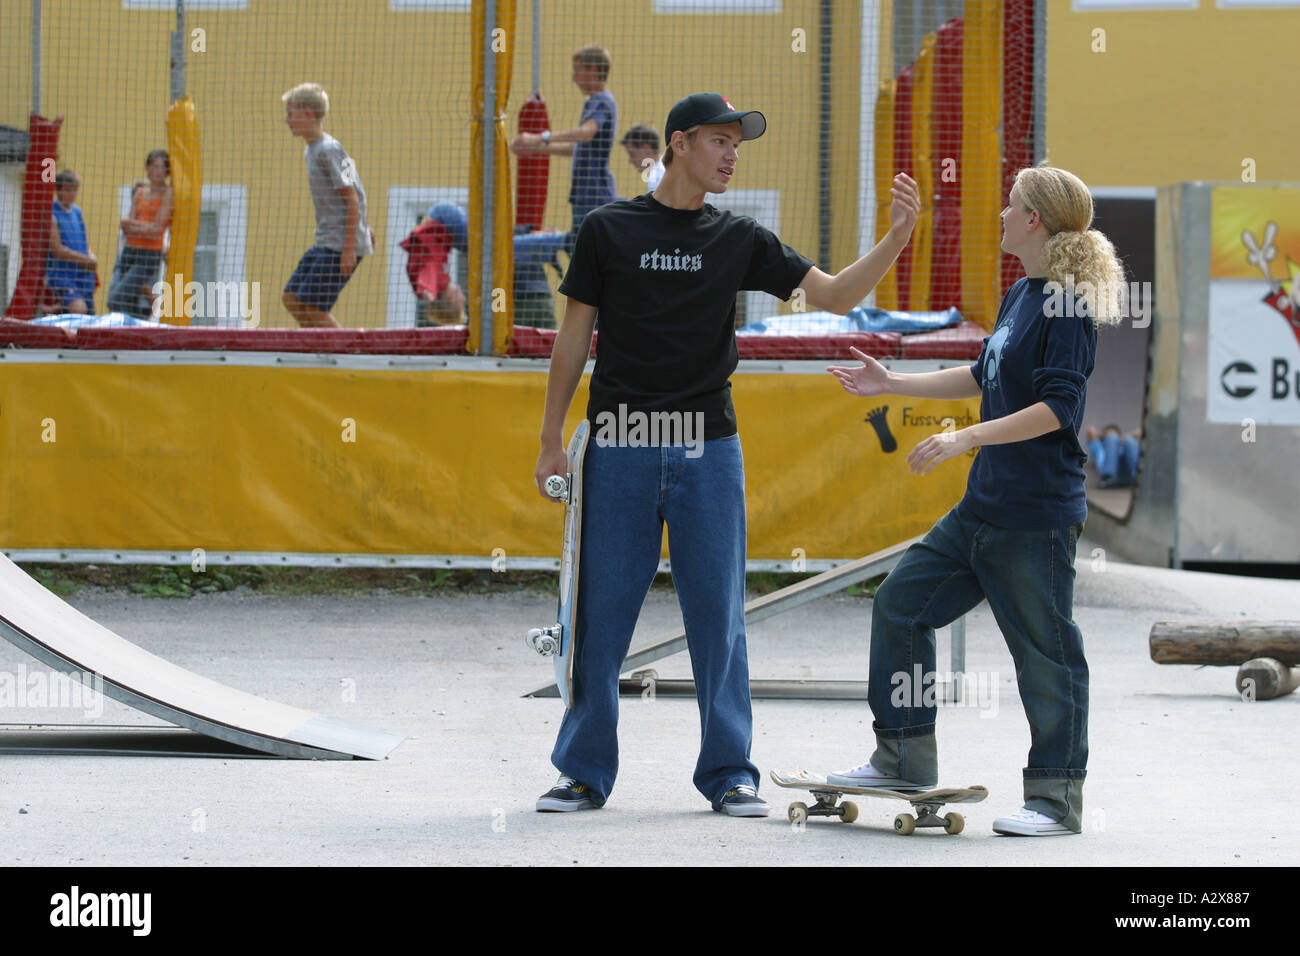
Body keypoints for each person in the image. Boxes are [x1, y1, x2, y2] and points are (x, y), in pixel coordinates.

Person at [533, 92, 921, 817]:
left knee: (719, 617)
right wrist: (553, 440)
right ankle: (583, 770)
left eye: (738, 144)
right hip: (618, 446)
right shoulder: (607, 230)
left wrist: (897, 237)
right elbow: (570, 342)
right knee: (601, 614)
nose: (732, 153)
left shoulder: (739, 237)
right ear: (679, 144)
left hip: (708, 445)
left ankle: (730, 772)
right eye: (719, 140)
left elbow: (835, 293)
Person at [826, 165, 1126, 836]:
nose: (998, 214)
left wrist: (967, 438)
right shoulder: (1025, 293)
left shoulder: (1068, 306)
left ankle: (1055, 799)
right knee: (900, 605)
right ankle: (903, 755)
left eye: (1010, 205)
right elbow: (982, 370)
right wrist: (891, 383)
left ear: (1034, 222)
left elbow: (1058, 409)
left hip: (1035, 518)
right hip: (982, 509)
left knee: (1045, 654)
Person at [281, 83, 373, 328]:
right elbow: (358, 187)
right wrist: (367, 225)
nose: (287, 120)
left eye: (291, 113)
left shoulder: (329, 149)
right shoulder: (312, 151)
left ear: (307, 113)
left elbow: (351, 197)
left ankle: (345, 356)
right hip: (326, 240)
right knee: (291, 298)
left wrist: (349, 247)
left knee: (314, 307)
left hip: (339, 243)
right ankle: (319, 347)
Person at [510, 45, 618, 242]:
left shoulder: (601, 101)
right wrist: (535, 147)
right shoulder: (595, 102)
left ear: (593, 70)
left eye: (578, 71)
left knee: (585, 249)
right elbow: (578, 148)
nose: (574, 78)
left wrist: (539, 137)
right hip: (585, 195)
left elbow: (586, 133)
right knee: (580, 246)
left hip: (594, 195)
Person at [107, 151, 172, 317]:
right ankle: (136, 330)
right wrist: (145, 227)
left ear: (167, 172)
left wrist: (133, 225)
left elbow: (156, 231)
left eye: (163, 168)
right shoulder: (140, 192)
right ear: (148, 167)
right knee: (130, 303)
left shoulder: (168, 193)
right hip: (129, 252)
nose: (159, 171)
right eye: (155, 166)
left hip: (149, 255)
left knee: (115, 300)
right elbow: (126, 227)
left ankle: (138, 324)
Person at [401, 203, 468, 326]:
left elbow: (427, 274)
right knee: (484, 248)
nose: (464, 299)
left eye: (462, 303)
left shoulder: (437, 284)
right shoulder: (442, 282)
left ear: (451, 298)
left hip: (443, 218)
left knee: (491, 247)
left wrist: (426, 290)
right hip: (442, 222)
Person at [45, 170, 98, 314]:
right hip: (62, 275)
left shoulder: (77, 212)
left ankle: (56, 311)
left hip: (83, 275)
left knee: (89, 318)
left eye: (75, 190)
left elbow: (84, 242)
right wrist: (84, 259)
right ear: (58, 190)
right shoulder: (51, 214)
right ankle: (54, 311)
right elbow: (56, 249)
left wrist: (91, 257)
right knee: (79, 309)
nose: (72, 194)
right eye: (68, 190)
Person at [621, 123, 665, 193]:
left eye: (631, 153)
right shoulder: (666, 166)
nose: (630, 160)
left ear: (646, 149)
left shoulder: (657, 177)